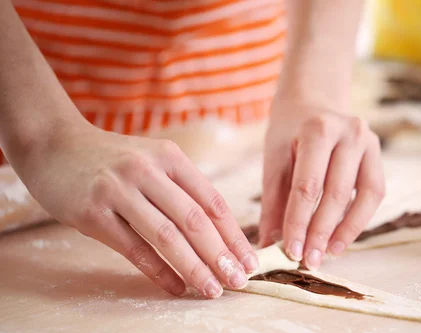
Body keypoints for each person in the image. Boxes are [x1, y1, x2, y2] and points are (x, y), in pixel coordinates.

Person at [0, 0, 385, 298]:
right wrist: (42, 133)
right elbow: (36, 130)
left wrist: (314, 89)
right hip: (30, 91)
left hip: (244, 92)